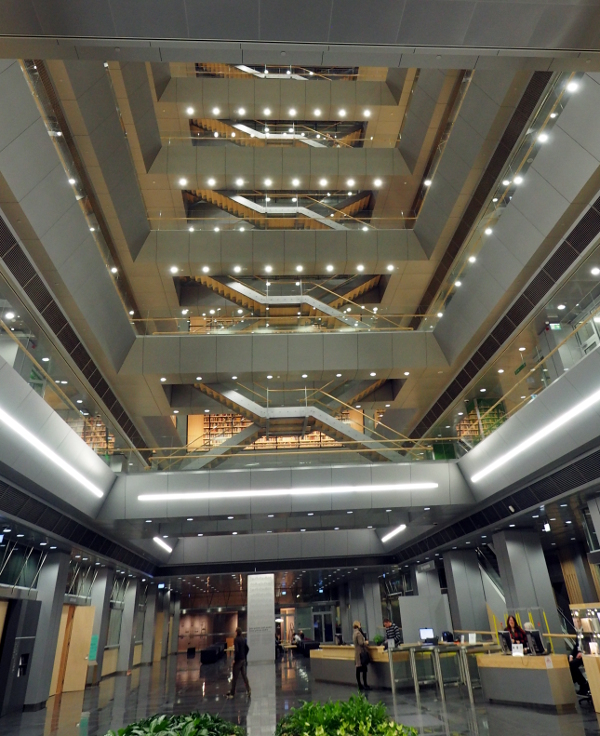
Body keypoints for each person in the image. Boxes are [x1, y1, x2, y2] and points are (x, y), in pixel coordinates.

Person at [226, 627, 251, 699]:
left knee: (235, 677)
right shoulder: (243, 639)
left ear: (236, 632)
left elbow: (236, 650)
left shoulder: (236, 639)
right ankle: (248, 690)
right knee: (244, 676)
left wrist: (234, 659)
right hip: (243, 660)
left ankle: (232, 693)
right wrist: (244, 655)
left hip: (238, 661)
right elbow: (247, 648)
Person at [353, 620, 371, 691]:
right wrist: (366, 642)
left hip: (357, 653)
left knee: (358, 669)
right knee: (364, 669)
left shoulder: (354, 633)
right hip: (361, 653)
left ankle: (359, 684)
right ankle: (365, 684)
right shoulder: (359, 633)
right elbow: (361, 643)